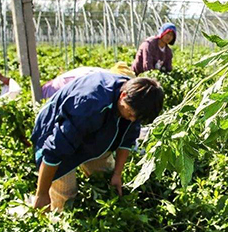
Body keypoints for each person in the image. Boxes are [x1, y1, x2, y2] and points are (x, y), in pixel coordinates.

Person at [30, 71, 164, 211]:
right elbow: (54, 152)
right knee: (66, 194)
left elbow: (127, 139)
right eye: (130, 114)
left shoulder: (137, 101)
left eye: (136, 118)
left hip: (92, 128)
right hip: (56, 129)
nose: (132, 120)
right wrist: (41, 193)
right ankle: (56, 220)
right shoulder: (90, 105)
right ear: (122, 96)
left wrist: (117, 174)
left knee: (105, 178)